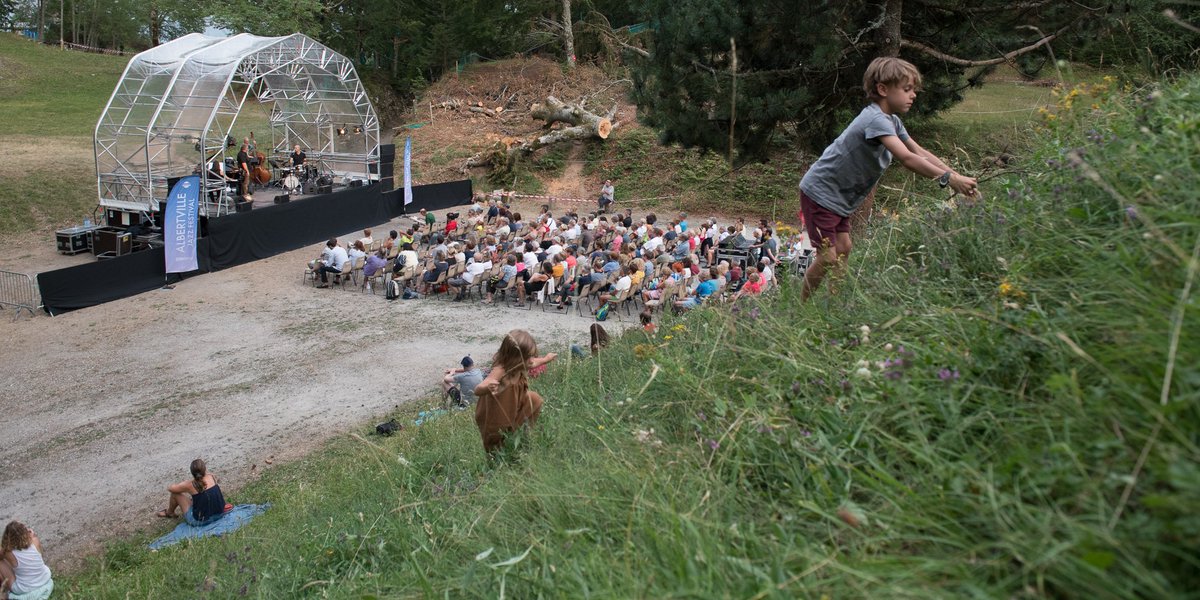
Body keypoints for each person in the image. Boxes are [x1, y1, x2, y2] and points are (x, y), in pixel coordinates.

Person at [799, 56, 977, 301]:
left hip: (839, 198)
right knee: (828, 256)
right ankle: (802, 306)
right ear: (883, 89)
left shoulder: (892, 121)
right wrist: (949, 179)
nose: (913, 95)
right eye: (907, 89)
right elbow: (907, 158)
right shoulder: (876, 119)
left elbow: (919, 152)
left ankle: (835, 302)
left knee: (844, 248)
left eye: (914, 89)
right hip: (821, 193)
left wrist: (956, 176)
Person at [474, 330, 550, 454]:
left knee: (534, 400)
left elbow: (535, 363)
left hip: (515, 406)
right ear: (515, 357)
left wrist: (546, 359)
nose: (531, 361)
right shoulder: (501, 370)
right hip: (496, 414)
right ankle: (495, 459)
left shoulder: (522, 365)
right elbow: (478, 389)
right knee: (497, 441)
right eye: (528, 357)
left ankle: (526, 435)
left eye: (532, 356)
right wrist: (488, 387)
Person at [156, 458, 228, 526]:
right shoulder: (211, 476)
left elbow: (170, 488)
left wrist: (184, 483)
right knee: (203, 496)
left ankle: (170, 513)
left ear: (192, 472)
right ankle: (170, 512)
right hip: (220, 514)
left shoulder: (190, 484)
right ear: (205, 469)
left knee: (175, 494)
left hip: (201, 521)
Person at [1, 521, 53, 600]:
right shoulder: (35, 541)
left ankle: (5, 588)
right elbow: (40, 556)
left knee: (1, 561)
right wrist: (32, 535)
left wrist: (6, 546)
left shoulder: (8, 552)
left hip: (24, 588)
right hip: (44, 579)